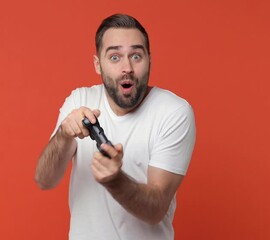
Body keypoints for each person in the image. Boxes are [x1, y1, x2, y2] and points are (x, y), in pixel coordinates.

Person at [35, 13, 196, 240]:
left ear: (149, 59)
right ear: (97, 64)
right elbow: (44, 180)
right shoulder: (79, 100)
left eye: (136, 56)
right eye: (114, 57)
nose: (127, 67)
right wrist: (63, 135)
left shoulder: (173, 112)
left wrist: (114, 180)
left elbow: (155, 209)